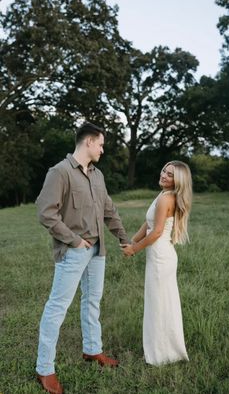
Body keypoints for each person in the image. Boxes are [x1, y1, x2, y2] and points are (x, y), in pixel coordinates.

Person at [35, 121, 129, 394]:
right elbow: (45, 212)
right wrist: (74, 240)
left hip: (98, 251)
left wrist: (123, 237)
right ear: (88, 142)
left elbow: (109, 209)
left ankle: (92, 351)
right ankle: (44, 368)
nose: (102, 149)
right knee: (57, 307)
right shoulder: (60, 172)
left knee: (92, 301)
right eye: (100, 144)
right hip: (73, 251)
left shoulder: (98, 175)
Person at [121, 161, 192, 366]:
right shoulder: (162, 194)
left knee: (159, 305)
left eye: (170, 175)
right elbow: (148, 223)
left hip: (161, 258)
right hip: (160, 256)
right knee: (159, 303)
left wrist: (134, 249)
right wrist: (132, 240)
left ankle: (161, 354)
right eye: (164, 170)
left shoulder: (167, 198)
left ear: (177, 181)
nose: (163, 175)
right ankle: (164, 348)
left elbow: (158, 231)